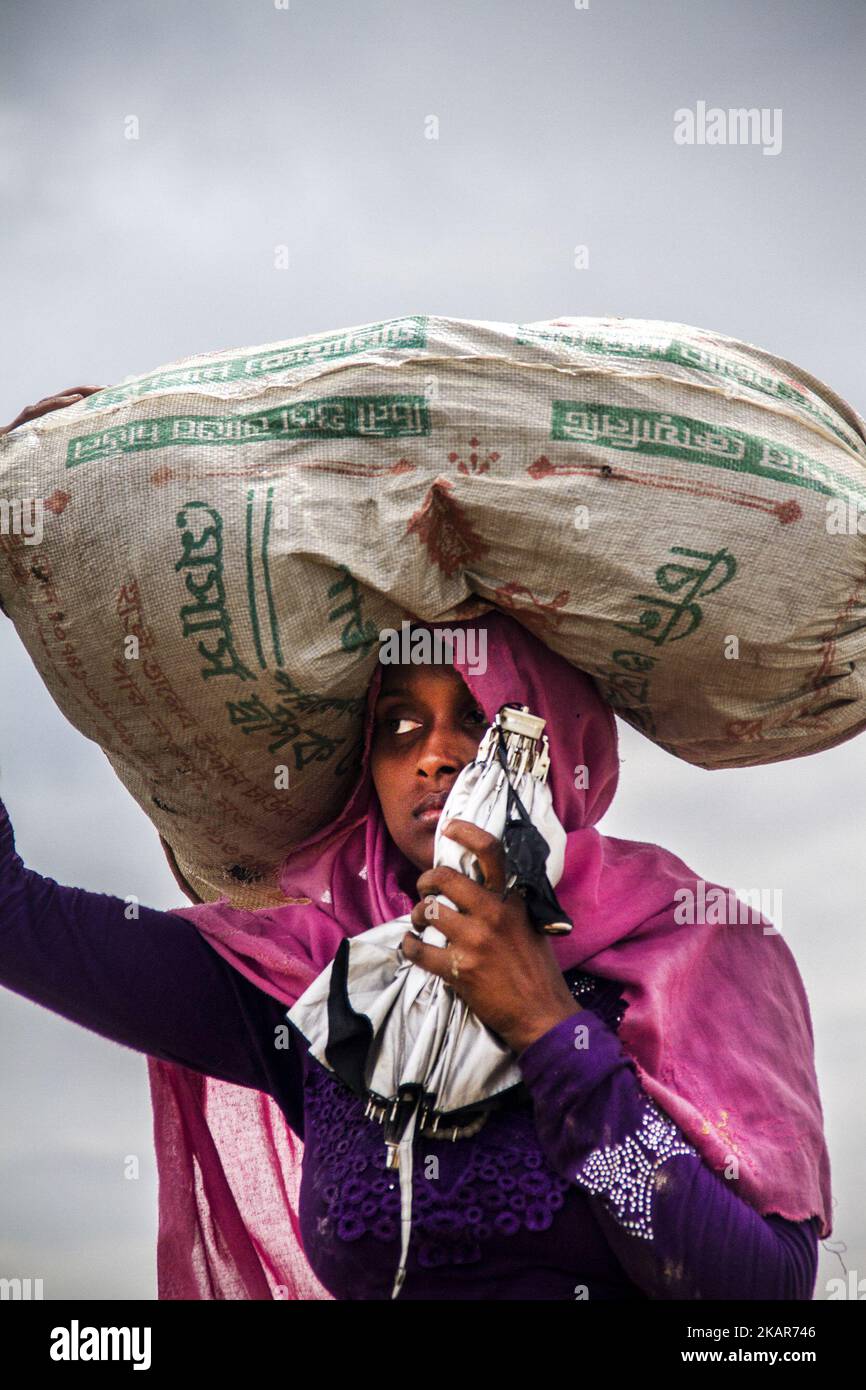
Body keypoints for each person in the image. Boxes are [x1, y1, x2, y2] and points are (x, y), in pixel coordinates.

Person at [0, 391, 832, 1301]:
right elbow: (14, 915)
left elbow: (763, 1304)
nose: (434, 754)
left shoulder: (697, 952)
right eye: (400, 726)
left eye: (480, 719)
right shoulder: (323, 988)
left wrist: (549, 1030)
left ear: (560, 745)